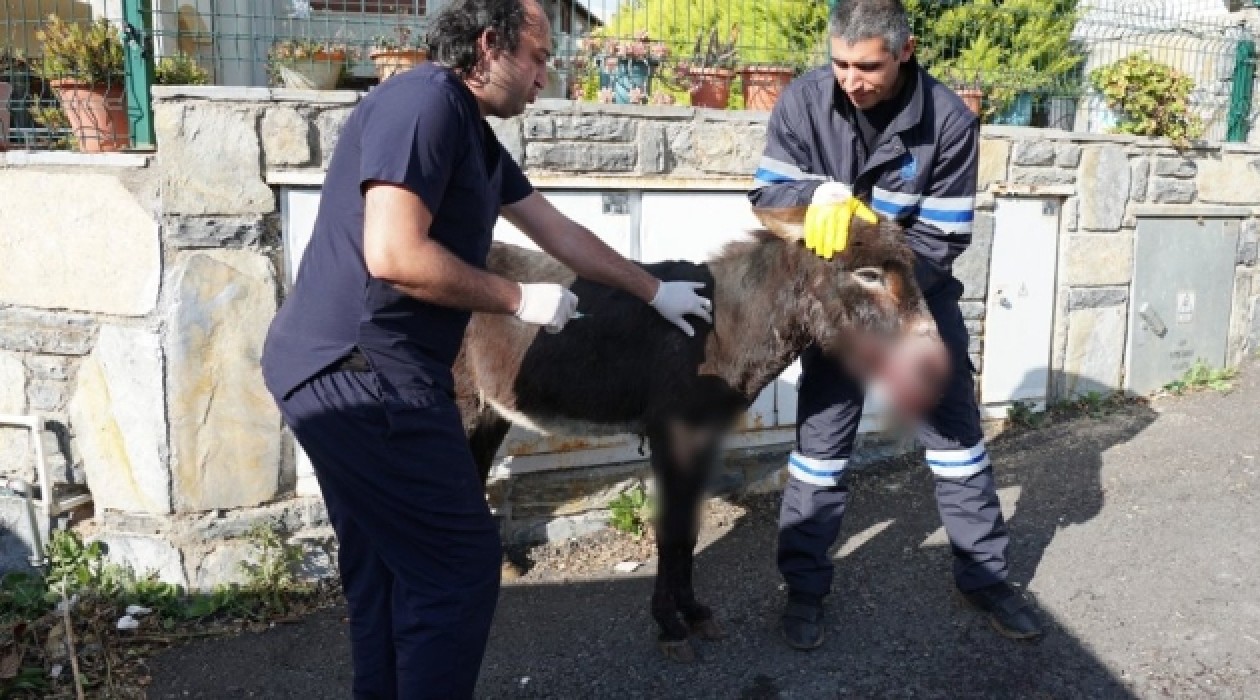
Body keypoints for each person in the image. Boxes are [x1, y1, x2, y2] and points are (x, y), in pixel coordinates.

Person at [259, 0, 713, 696]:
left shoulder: (471, 133)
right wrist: (517, 299)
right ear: (488, 45)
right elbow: (393, 252)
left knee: (387, 567)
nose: (543, 78)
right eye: (536, 58)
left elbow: (558, 233)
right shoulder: (423, 105)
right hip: (358, 372)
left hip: (350, 368)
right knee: (459, 565)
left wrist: (652, 290)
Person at [748, 0, 1044, 650]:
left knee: (957, 444)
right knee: (820, 449)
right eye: (839, 63)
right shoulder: (802, 103)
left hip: (915, 302)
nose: (850, 80)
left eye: (868, 66)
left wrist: (872, 256)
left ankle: (985, 578)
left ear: (904, 51)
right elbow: (769, 197)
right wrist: (813, 198)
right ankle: (803, 588)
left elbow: (940, 242)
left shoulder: (950, 121)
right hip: (834, 305)